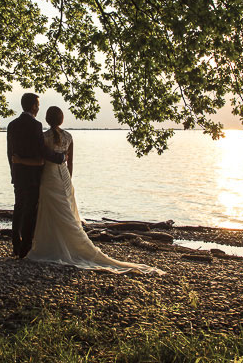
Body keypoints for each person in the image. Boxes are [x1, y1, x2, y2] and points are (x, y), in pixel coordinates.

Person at [15, 106, 164, 275]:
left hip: (49, 177)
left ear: (48, 119)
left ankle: (52, 243)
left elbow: (42, 160)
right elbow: (69, 163)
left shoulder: (44, 137)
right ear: (61, 119)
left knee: (52, 211)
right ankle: (70, 242)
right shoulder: (69, 137)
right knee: (66, 211)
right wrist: (68, 180)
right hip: (63, 176)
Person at [7, 93, 65, 258]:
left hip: (18, 173)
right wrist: (59, 157)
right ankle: (25, 248)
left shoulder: (12, 125)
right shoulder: (35, 125)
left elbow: (9, 152)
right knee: (30, 211)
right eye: (37, 105)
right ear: (33, 106)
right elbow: (41, 150)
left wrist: (13, 171)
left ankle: (16, 246)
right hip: (32, 174)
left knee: (18, 208)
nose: (38, 108)